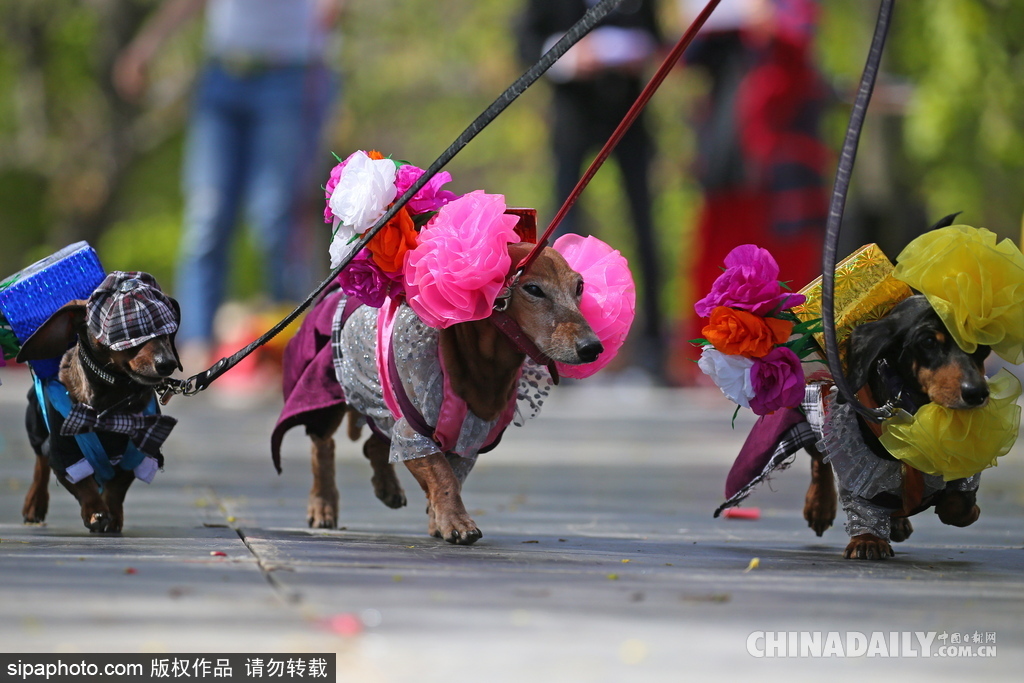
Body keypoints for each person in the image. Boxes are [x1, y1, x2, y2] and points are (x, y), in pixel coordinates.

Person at [114, 0, 343, 371]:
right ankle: (195, 347)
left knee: (273, 215)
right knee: (207, 214)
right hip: (223, 78)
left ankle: (285, 348)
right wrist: (146, 46)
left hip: (290, 76)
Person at [671, 0, 830, 384]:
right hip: (729, 142)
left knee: (788, 255)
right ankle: (710, 350)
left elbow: (800, 32)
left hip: (782, 147)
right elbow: (687, 52)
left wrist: (769, 20)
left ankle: (786, 350)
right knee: (719, 251)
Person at [515, 0, 666, 381]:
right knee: (564, 227)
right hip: (574, 116)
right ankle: (557, 342)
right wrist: (567, 56)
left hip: (629, 115)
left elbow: (657, 36)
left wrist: (636, 49)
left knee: (644, 228)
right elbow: (526, 43)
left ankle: (652, 349)